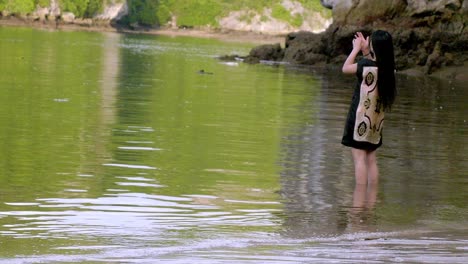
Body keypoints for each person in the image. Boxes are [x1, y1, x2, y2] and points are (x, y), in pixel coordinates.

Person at [341, 30, 397, 185]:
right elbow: (371, 67)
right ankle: (370, 203)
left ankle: (358, 203)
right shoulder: (388, 70)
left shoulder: (366, 65)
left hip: (360, 118)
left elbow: (345, 68)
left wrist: (356, 49)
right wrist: (366, 52)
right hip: (375, 122)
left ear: (375, 47)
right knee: (371, 159)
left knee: (359, 157)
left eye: (370, 42)